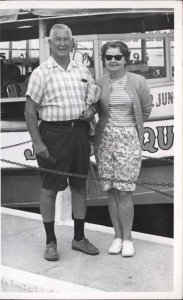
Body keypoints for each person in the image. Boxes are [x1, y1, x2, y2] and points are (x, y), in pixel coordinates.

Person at [24, 24, 99, 261]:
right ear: (50, 43)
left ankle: (78, 239)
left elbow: (92, 100)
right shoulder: (41, 72)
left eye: (67, 39)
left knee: (78, 186)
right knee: (50, 189)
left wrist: (91, 110)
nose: (63, 43)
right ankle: (50, 242)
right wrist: (37, 141)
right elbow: (29, 110)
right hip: (53, 135)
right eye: (58, 39)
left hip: (79, 133)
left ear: (72, 41)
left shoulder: (82, 69)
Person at [94, 41, 152, 257]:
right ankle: (116, 237)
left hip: (128, 138)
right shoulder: (99, 83)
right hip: (105, 139)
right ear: (104, 60)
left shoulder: (138, 81)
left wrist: (130, 128)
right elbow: (96, 110)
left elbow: (146, 109)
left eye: (117, 57)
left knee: (125, 191)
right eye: (108, 57)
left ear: (125, 59)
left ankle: (128, 239)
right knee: (110, 191)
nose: (113, 61)